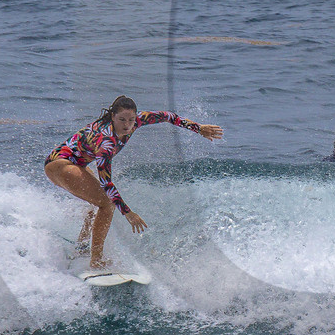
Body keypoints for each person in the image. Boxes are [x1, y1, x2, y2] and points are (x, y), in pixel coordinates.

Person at [44, 96, 223, 270]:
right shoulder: (105, 142)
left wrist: (198, 128)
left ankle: (82, 247)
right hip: (59, 165)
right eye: (121, 119)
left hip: (76, 165)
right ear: (112, 117)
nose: (127, 125)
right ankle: (96, 260)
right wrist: (128, 213)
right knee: (106, 204)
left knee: (96, 203)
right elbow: (106, 183)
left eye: (131, 119)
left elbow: (169, 116)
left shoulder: (137, 121)